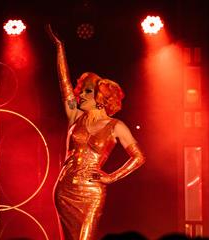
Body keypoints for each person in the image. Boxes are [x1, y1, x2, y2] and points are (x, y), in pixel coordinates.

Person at [46, 24, 146, 240]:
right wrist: (59, 47)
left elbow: (139, 158)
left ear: (100, 99)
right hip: (64, 190)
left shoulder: (116, 126)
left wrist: (111, 177)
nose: (79, 95)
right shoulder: (75, 117)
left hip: (92, 192)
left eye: (85, 92)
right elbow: (63, 83)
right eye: (80, 91)